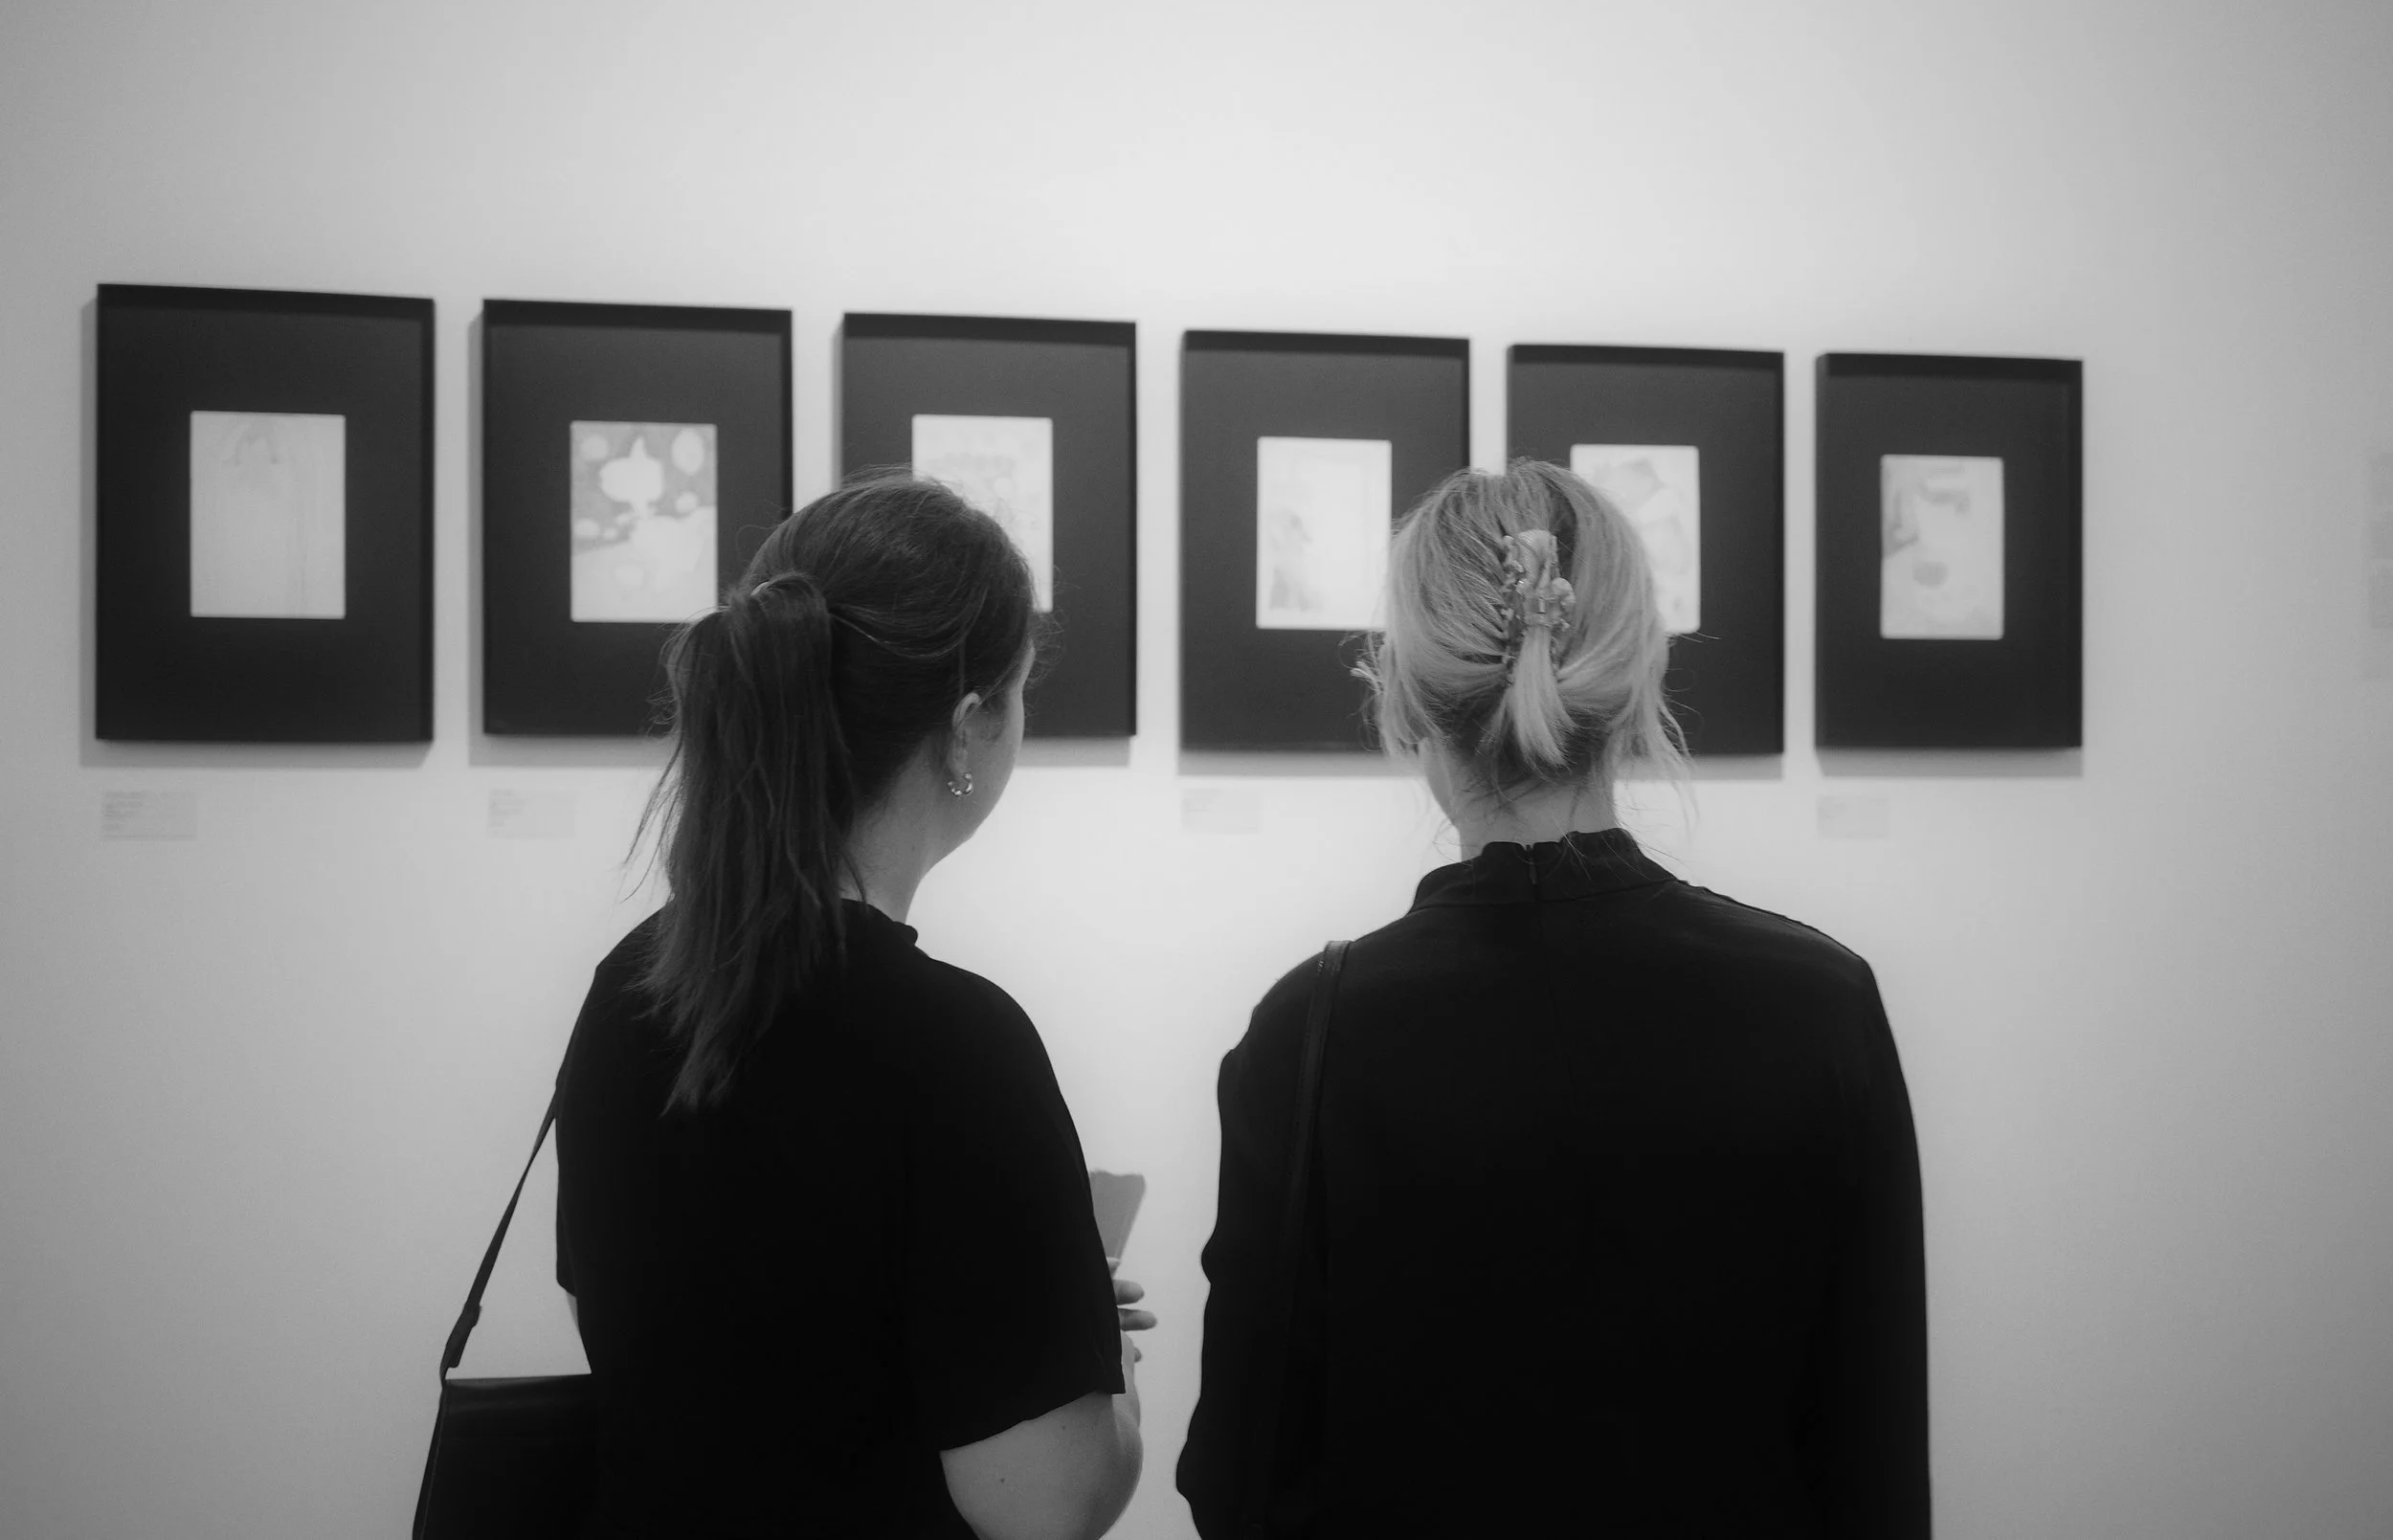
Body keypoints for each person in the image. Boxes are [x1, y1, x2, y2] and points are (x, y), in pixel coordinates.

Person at [1177, 460, 1929, 1536]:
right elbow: (1874, 1467)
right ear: (1640, 676)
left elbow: (1239, 1480)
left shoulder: (1314, 1027)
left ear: (1400, 695)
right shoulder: (1819, 1002)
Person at [554, 476, 1151, 1539]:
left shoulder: (630, 985)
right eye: (1018, 693)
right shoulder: (957, 1045)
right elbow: (1047, 1503)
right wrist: (1105, 1369)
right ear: (967, 728)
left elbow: (673, 1343)